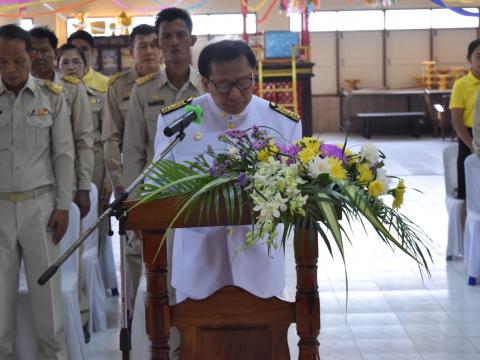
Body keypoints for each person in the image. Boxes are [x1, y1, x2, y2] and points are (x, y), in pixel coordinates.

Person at [152, 40, 302, 303]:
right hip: (200, 263)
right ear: (205, 82)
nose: (235, 94)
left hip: (259, 264)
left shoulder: (282, 123)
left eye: (244, 83)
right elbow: (159, 187)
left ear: (254, 75)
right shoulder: (177, 122)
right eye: (223, 85)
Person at [122, 7, 203, 314]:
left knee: (201, 280)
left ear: (192, 39)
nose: (175, 42)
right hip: (159, 198)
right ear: (157, 44)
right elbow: (133, 152)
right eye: (166, 36)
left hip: (201, 197)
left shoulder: (208, 86)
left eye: (181, 34)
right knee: (164, 282)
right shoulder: (144, 92)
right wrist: (136, 204)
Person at [0, 24, 74, 359]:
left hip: (40, 207)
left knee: (47, 300)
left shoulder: (51, 97)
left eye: (18, 61)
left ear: (31, 57)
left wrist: (62, 206)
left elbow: (63, 154)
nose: (11, 69)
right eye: (2, 62)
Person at [102, 24, 162, 316]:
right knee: (134, 255)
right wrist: (119, 184)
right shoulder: (118, 86)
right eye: (142, 45)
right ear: (131, 51)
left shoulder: (176, 82)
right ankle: (134, 323)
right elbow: (111, 138)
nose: (149, 50)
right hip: (133, 184)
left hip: (168, 187)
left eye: (154, 44)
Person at [58, 43, 112, 342]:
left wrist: (104, 178)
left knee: (94, 236)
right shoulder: (52, 93)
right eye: (64, 62)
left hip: (89, 173)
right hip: (60, 179)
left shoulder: (99, 92)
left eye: (75, 61)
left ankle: (86, 307)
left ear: (86, 62)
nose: (70, 67)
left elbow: (100, 138)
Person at [29, 26, 94, 219]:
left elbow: (84, 140)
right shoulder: (19, 90)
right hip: (31, 186)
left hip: (66, 184)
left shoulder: (72, 88)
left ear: (55, 53)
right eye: (33, 51)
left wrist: (83, 187)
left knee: (70, 245)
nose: (39, 57)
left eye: (44, 51)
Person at [450, 39, 480, 230]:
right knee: (467, 194)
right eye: (479, 57)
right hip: (469, 140)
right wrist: (472, 145)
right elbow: (457, 122)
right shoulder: (462, 85)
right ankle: (466, 244)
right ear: (469, 59)